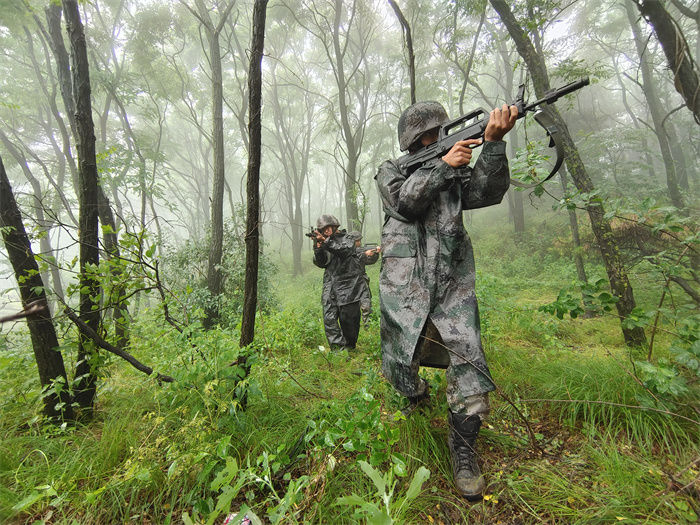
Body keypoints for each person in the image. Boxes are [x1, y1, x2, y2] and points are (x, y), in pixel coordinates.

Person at [375, 100, 517, 500]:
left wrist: (492, 144)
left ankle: (464, 451)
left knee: (469, 367)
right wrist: (443, 166)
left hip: (453, 285)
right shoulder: (391, 171)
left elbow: (487, 193)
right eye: (431, 135)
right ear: (415, 140)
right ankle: (416, 394)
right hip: (405, 290)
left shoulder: (455, 172)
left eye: (440, 133)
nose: (439, 139)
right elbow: (404, 203)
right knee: (403, 362)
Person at [312, 215, 365, 351]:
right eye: (323, 229)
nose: (326, 231)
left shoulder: (348, 239)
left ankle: (350, 346)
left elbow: (344, 251)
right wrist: (318, 248)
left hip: (348, 284)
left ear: (335, 226)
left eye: (328, 228)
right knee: (329, 317)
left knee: (349, 318)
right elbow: (321, 263)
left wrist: (326, 242)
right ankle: (338, 350)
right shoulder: (324, 241)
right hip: (330, 283)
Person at [348, 231, 381, 328]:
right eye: (358, 241)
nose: (359, 243)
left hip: (361, 281)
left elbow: (370, 261)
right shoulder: (346, 252)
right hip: (350, 283)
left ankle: (368, 325)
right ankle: (353, 327)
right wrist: (364, 254)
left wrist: (375, 254)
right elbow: (351, 261)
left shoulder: (360, 250)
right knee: (351, 308)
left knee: (366, 304)